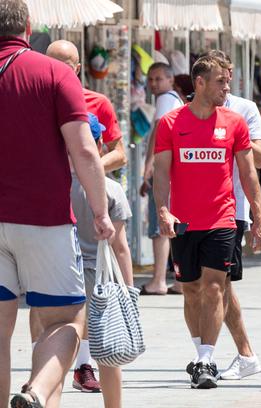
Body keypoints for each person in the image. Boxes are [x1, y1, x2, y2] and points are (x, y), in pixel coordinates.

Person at [0, 1, 114, 406]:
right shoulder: (53, 72)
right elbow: (84, 150)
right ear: (29, 28)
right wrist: (100, 212)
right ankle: (37, 391)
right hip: (42, 220)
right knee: (66, 318)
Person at [153, 55, 261, 389]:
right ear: (199, 83)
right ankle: (200, 353)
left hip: (222, 219)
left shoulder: (234, 122)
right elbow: (161, 171)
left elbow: (249, 174)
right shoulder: (171, 123)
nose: (226, 87)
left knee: (216, 286)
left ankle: (205, 359)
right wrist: (163, 210)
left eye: (227, 81)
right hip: (184, 221)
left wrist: (259, 218)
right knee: (190, 289)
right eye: (220, 81)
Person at [61, 113, 132, 408]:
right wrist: (128, 290)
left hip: (60, 273)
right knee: (108, 353)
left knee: (53, 342)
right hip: (100, 281)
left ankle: (43, 392)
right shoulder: (110, 188)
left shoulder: (54, 185)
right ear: (100, 146)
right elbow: (121, 248)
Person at [44, 40, 127, 173]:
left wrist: (87, 169)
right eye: (53, 67)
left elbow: (120, 154)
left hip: (84, 188)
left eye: (65, 67)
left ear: (77, 69)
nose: (58, 73)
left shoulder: (99, 102)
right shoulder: (34, 100)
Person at [140, 62, 184, 295]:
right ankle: (179, 280)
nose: (154, 83)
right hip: (174, 170)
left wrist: (148, 166)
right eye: (151, 79)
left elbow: (158, 133)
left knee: (161, 226)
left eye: (159, 78)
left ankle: (158, 280)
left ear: (170, 80)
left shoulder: (166, 98)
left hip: (164, 170)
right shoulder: (175, 99)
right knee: (173, 225)